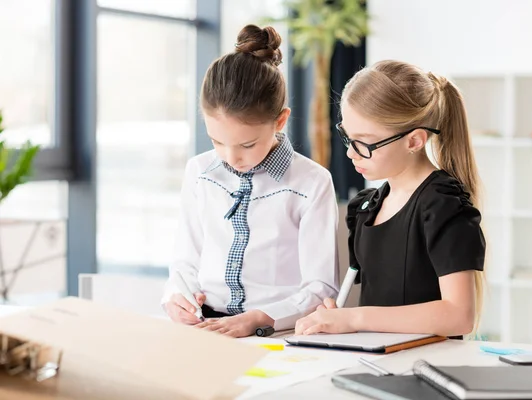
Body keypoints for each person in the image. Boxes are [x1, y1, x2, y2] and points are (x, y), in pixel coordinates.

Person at [162, 24, 339, 337]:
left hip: (278, 332)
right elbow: (185, 261)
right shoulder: (199, 172)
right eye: (216, 141)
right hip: (204, 329)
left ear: (280, 120)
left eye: (246, 145)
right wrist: (177, 297)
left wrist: (260, 318)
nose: (230, 157)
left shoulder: (312, 183)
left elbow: (321, 289)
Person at [295, 60, 486, 337]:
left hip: (427, 365)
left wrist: (355, 318)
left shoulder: (443, 205)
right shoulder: (365, 207)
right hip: (376, 361)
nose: (351, 153)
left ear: (414, 141)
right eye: (348, 138)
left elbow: (459, 316)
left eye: (365, 142)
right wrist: (336, 316)